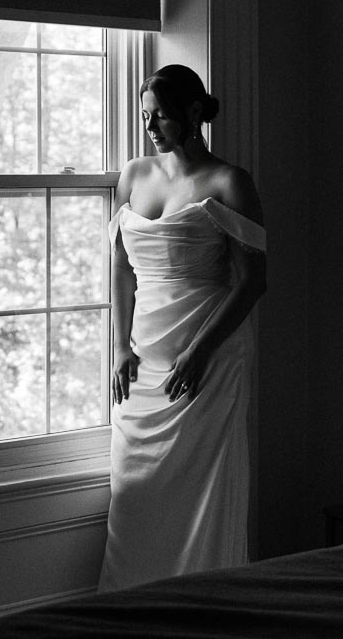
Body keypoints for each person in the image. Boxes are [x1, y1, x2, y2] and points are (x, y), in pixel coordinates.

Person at [98, 64, 266, 591]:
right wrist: (120, 349)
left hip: (208, 359)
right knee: (133, 493)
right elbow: (122, 266)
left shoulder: (229, 182)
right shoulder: (135, 175)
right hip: (143, 359)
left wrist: (198, 353)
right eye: (147, 115)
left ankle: (205, 607)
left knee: (201, 494)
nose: (151, 127)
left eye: (163, 116)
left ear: (194, 112)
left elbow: (251, 282)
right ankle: (133, 614)